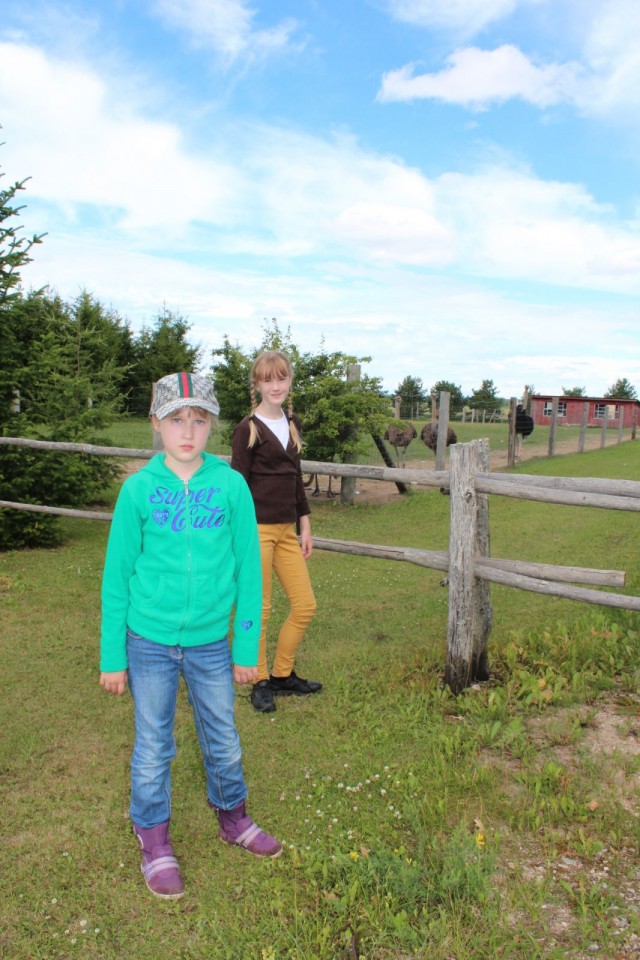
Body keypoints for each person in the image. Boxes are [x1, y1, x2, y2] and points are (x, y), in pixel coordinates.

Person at [100, 371, 282, 901]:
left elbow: (250, 573)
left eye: (198, 420)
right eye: (176, 419)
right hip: (148, 641)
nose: (187, 431)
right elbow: (116, 581)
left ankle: (233, 817)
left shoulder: (230, 488)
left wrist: (246, 647)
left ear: (212, 426)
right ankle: (153, 837)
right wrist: (114, 656)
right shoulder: (137, 491)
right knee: (154, 745)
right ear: (156, 424)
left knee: (222, 735)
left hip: (209, 643)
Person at [231, 350, 321, 714]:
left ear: (289, 381)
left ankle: (283, 674)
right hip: (256, 531)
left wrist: (305, 522)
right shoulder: (247, 429)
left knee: (305, 605)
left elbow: (295, 478)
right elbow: (237, 487)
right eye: (267, 380)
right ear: (257, 385)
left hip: (287, 531)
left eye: (281, 378)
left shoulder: (291, 422)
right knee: (260, 607)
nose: (276, 385)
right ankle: (260, 679)